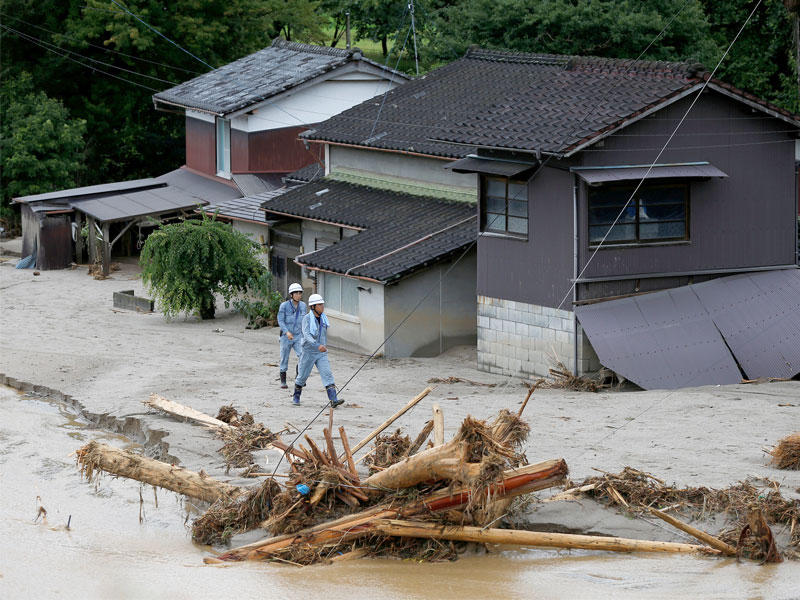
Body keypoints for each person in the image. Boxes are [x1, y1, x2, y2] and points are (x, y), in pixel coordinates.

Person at [292, 294, 343, 407]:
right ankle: (296, 396)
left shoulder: (324, 318)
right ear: (313, 307)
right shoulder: (306, 319)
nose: (322, 307)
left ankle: (333, 400)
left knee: (327, 374)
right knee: (302, 376)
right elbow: (306, 335)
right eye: (319, 305)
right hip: (308, 352)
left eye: (322, 304)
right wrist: (316, 345)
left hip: (321, 353)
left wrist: (322, 346)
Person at [277, 283, 306, 389]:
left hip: (298, 335)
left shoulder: (303, 305)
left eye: (300, 293)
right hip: (286, 336)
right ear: (291, 294)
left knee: (303, 355)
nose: (298, 295)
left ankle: (299, 376)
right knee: (284, 357)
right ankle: (283, 381)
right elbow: (280, 320)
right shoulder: (284, 306)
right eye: (296, 293)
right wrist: (286, 332)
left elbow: (305, 321)